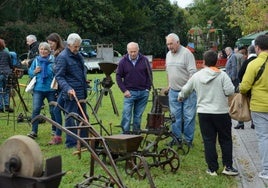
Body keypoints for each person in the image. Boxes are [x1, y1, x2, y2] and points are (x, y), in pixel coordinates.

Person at [178, 50, 238, 176]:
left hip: (204, 113)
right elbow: (230, 91)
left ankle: (212, 168)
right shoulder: (222, 75)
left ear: (204, 62)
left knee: (209, 140)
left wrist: (181, 96)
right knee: (226, 140)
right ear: (216, 61)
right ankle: (228, 166)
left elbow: (185, 90)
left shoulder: (197, 76)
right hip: (221, 112)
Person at [239, 34, 268, 180]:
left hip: (259, 106)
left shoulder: (254, 64)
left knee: (264, 137)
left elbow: (244, 87)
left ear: (257, 47)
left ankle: (266, 170)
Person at [55, 33, 88, 148]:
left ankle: (84, 140)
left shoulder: (78, 55)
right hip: (70, 93)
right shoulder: (62, 57)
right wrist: (68, 88)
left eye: (78, 46)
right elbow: (59, 76)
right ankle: (71, 142)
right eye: (75, 47)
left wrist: (84, 81)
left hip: (81, 91)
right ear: (69, 45)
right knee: (71, 117)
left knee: (84, 117)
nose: (77, 49)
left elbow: (81, 71)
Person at [165, 33, 197, 147]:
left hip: (188, 92)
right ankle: (176, 139)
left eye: (171, 44)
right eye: (168, 44)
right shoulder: (168, 54)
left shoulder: (186, 54)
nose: (169, 46)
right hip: (173, 92)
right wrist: (169, 85)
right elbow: (168, 72)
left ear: (178, 42)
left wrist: (185, 90)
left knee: (188, 117)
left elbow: (193, 73)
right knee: (175, 117)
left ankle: (188, 141)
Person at [116, 42, 152, 134]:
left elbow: (149, 75)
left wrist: (147, 89)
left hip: (143, 93)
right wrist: (124, 90)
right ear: (127, 51)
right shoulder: (123, 62)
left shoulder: (144, 60)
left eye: (134, 51)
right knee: (126, 115)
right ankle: (125, 135)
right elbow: (118, 77)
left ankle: (136, 134)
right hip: (129, 93)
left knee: (138, 116)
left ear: (138, 50)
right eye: (131, 52)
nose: (133, 54)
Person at [27, 42, 57, 139]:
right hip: (38, 90)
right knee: (36, 110)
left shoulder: (53, 61)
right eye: (41, 49)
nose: (43, 51)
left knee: (53, 111)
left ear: (49, 51)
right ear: (39, 50)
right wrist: (34, 71)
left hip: (50, 90)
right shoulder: (36, 61)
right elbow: (30, 73)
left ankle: (54, 130)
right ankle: (33, 131)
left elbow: (57, 73)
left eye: (45, 49)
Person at [46, 33, 65, 145]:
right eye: (48, 43)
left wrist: (53, 67)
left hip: (64, 86)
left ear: (57, 41)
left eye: (51, 43)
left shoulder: (60, 54)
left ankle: (58, 136)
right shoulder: (55, 53)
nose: (50, 45)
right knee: (62, 111)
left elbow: (60, 71)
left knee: (57, 110)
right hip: (61, 86)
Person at [234, 45, 257, 129]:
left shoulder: (247, 62)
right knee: (254, 106)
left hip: (246, 88)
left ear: (248, 52)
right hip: (256, 90)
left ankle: (241, 122)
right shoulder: (261, 61)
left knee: (242, 104)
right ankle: (253, 122)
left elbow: (240, 74)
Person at [0, 39, 14, 113]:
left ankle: (0, 107)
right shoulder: (6, 53)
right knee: (7, 89)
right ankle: (6, 105)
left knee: (0, 90)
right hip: (7, 73)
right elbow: (10, 64)